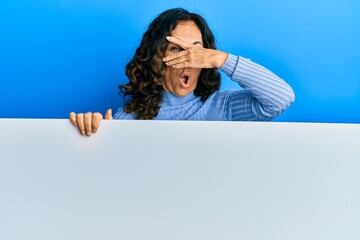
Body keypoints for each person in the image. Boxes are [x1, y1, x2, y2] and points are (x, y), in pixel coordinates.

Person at [69, 8, 295, 136]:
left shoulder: (223, 107)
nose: (188, 59)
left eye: (196, 51)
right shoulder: (130, 118)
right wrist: (94, 135)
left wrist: (219, 58)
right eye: (177, 49)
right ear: (157, 58)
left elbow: (281, 98)